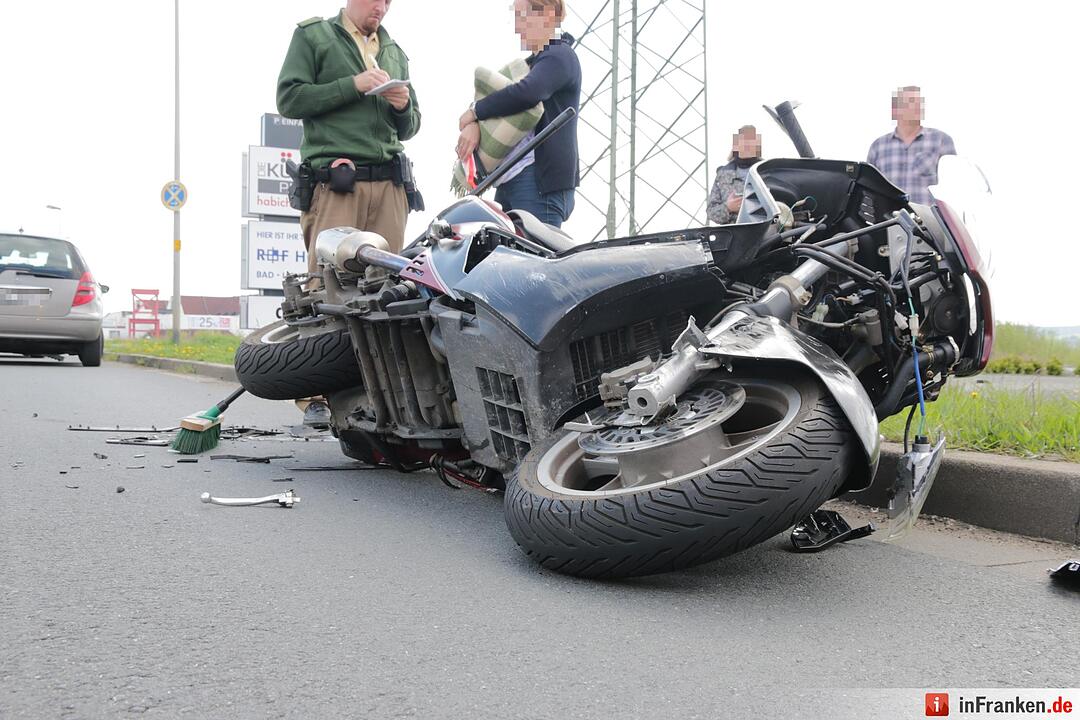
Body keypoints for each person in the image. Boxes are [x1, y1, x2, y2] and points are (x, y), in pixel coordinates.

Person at [277, 0, 421, 426]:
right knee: (325, 288)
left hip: (389, 184)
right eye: (376, 0)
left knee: (386, 291)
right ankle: (315, 396)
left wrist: (402, 105)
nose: (382, 8)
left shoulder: (394, 51)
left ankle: (380, 399)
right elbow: (290, 98)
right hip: (338, 182)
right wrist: (353, 85)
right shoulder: (314, 36)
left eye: (389, 2)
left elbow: (411, 126)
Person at [455, 0, 581, 228]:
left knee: (533, 252)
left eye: (524, 15)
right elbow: (502, 99)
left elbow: (527, 92)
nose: (518, 25)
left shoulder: (559, 55)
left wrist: (476, 111)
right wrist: (475, 121)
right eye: (517, 15)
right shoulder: (532, 64)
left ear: (549, 14)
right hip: (511, 178)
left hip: (538, 184)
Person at [867, 86, 956, 205]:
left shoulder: (941, 141)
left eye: (919, 102)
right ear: (895, 110)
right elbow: (869, 190)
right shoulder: (878, 147)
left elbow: (954, 185)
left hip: (927, 216)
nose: (916, 106)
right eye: (910, 102)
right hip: (890, 215)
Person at [706, 126, 762, 225]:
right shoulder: (723, 174)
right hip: (733, 232)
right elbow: (711, 212)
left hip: (765, 231)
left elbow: (781, 208)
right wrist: (728, 208)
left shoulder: (766, 170)